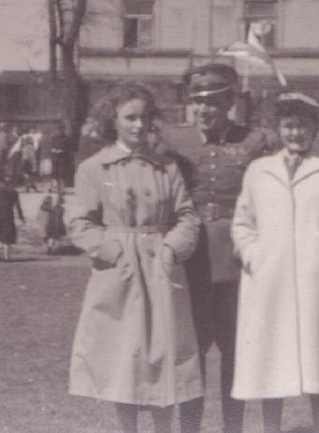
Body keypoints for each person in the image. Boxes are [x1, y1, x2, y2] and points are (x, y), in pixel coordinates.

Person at [65, 83, 202, 433]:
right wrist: (112, 251)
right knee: (122, 358)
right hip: (119, 275)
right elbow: (79, 221)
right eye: (130, 118)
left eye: (144, 117)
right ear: (114, 121)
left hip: (161, 269)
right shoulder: (95, 168)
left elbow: (187, 216)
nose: (138, 126)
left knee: (164, 357)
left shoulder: (166, 167)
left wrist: (171, 249)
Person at [230, 93, 319, 433]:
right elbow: (242, 222)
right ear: (278, 129)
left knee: (318, 358)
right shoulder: (259, 170)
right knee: (268, 357)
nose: (296, 134)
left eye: (303, 127)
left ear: (315, 129)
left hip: (315, 279)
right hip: (268, 279)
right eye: (289, 126)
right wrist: (252, 254)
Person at [161, 63, 272, 433]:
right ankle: (189, 428)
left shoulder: (255, 142)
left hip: (237, 261)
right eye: (197, 102)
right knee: (192, 352)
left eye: (211, 101)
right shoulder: (175, 142)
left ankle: (232, 429)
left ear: (229, 102)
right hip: (191, 258)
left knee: (234, 350)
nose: (203, 110)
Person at [0, 175, 24, 260]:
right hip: (8, 215)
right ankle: (6, 257)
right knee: (7, 237)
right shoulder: (14, 192)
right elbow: (18, 206)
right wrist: (21, 217)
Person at [36, 181, 65, 254]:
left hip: (47, 219)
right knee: (54, 235)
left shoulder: (46, 205)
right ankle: (51, 247)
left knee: (47, 235)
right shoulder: (58, 206)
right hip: (54, 219)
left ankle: (48, 247)